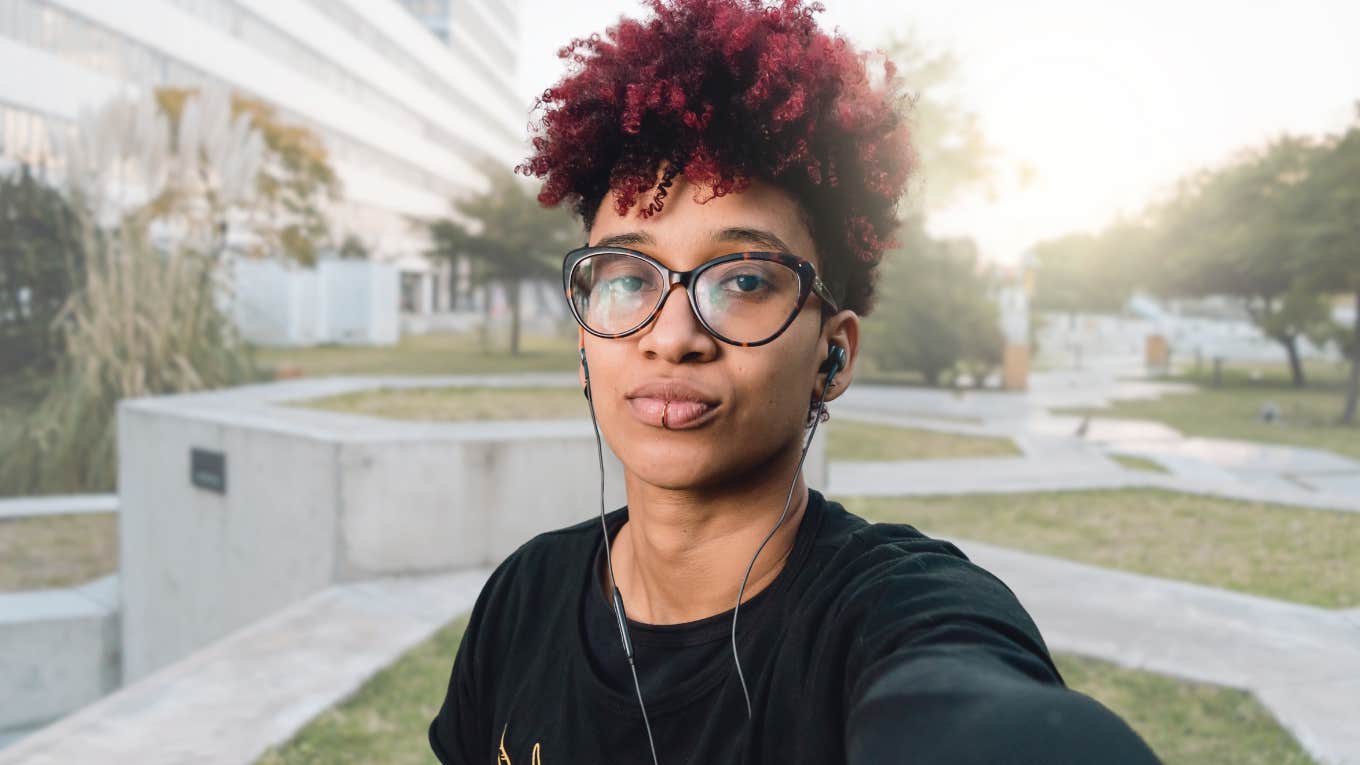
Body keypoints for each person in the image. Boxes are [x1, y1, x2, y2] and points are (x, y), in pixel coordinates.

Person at [429, 0, 1161, 762]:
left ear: (832, 356)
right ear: (584, 338)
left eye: (744, 279)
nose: (672, 337)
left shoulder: (891, 613)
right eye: (626, 275)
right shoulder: (524, 597)